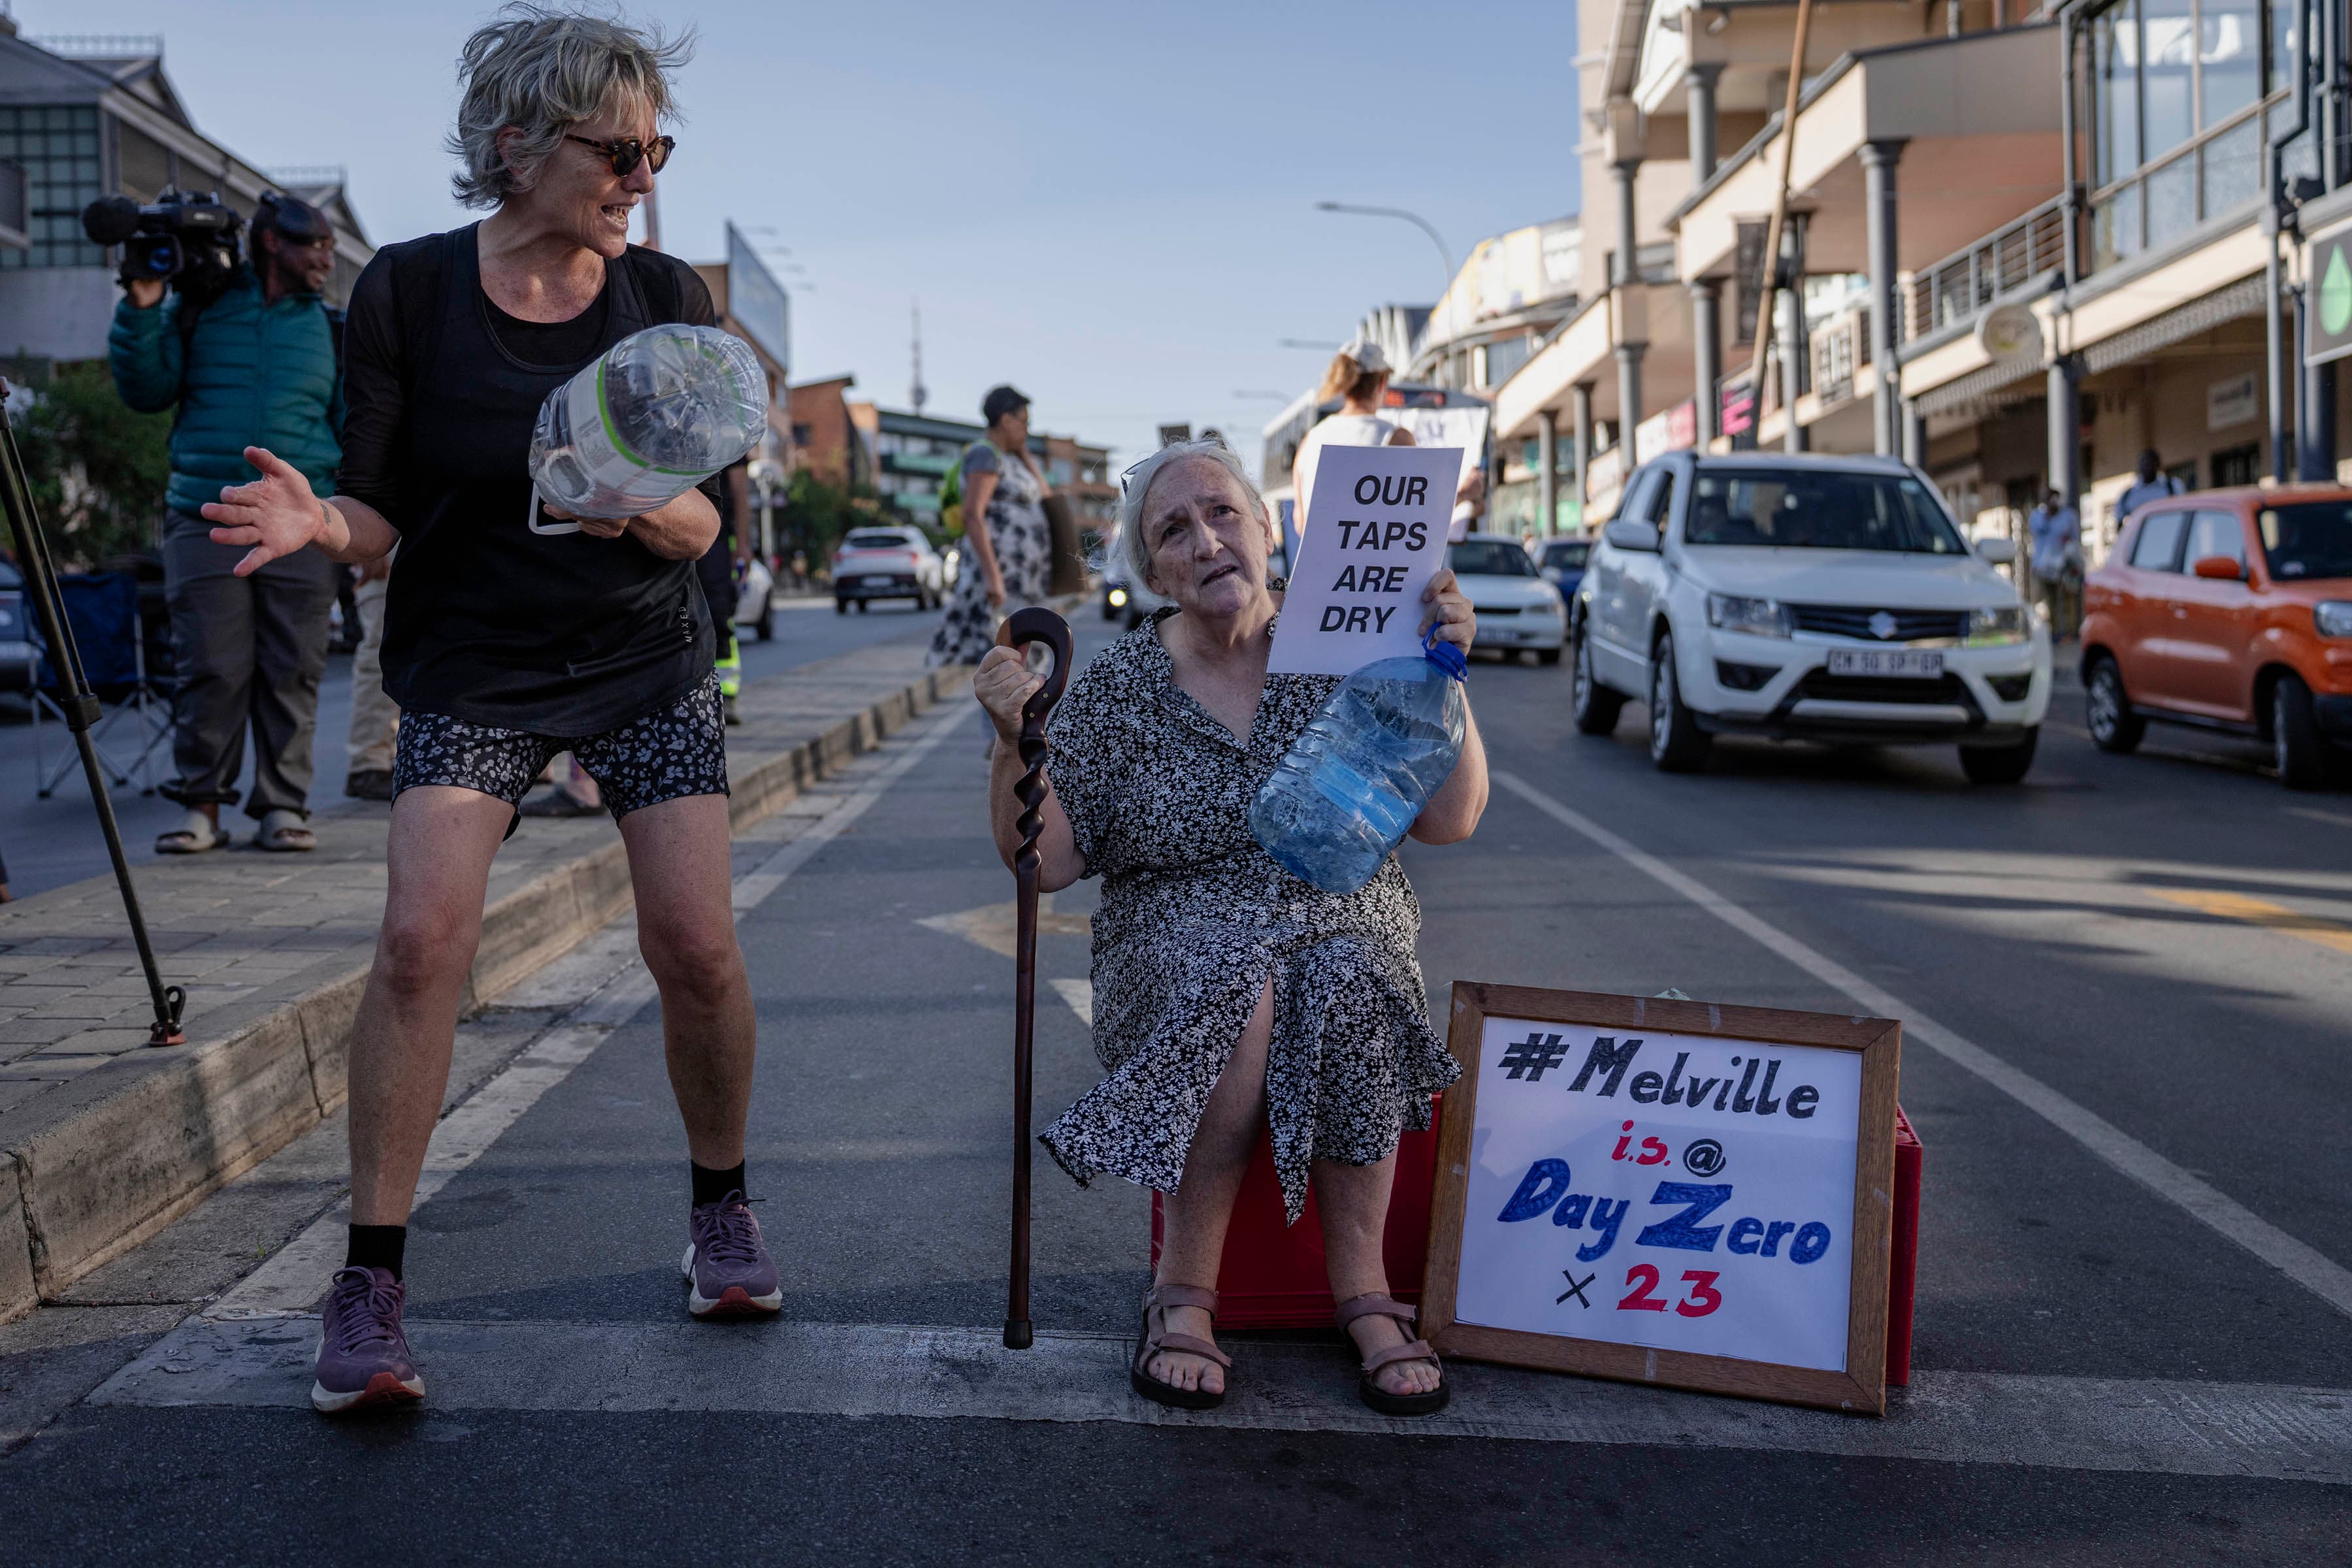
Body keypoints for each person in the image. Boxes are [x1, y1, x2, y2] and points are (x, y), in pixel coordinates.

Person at [199, 8, 777, 1415]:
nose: (642, 176)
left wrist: (632, 503)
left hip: (643, 656)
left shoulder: (667, 303)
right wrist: (321, 525)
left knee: (696, 947)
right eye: (618, 150)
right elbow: (382, 516)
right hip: (473, 662)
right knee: (418, 946)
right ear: (516, 145)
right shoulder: (406, 293)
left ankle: (721, 1208)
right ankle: (369, 1283)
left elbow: (708, 528)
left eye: (657, 150)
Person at [973, 436, 1487, 1416]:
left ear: (1265, 528)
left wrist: (1444, 669)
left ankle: (1365, 1291)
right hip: (1172, 943)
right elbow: (1048, 862)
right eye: (1174, 530)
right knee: (1239, 984)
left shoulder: (1350, 645)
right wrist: (1011, 742)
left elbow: (1450, 818)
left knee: (1349, 974)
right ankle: (1184, 1290)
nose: (1206, 541)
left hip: (1341, 920)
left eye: (1222, 514)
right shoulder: (1121, 688)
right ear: (1153, 571)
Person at [108, 190, 346, 855]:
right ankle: (201, 806)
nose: (326, 259)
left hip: (302, 522)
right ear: (273, 243)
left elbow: (351, 427)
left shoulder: (331, 329)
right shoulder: (199, 307)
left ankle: (283, 805)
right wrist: (142, 306)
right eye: (315, 245)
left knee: (294, 666)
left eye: (330, 247)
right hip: (203, 513)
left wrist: (352, 521)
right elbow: (145, 390)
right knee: (210, 665)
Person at [928, 385, 1051, 667]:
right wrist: (993, 578)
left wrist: (1024, 454)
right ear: (1006, 420)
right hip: (1000, 580)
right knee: (1004, 662)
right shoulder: (984, 455)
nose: (1028, 430)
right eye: (1025, 422)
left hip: (1022, 581)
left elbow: (1046, 497)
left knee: (1024, 659)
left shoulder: (1011, 459)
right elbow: (973, 514)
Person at [1290, 338, 1411, 531]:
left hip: (1320, 551)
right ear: (1382, 383)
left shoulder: (1310, 440)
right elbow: (1413, 516)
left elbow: (1300, 523)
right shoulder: (1396, 438)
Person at [343, 550, 398, 799]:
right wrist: (370, 549)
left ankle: (391, 754)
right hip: (389, 543)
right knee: (381, 651)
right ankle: (368, 763)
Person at [2026, 487, 2082, 640]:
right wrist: (2049, 515)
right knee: (2049, 601)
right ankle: (2052, 633)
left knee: (2068, 599)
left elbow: (2075, 539)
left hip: (2064, 565)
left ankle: (2070, 632)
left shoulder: (2069, 516)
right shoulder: (2037, 516)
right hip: (2043, 567)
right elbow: (2037, 531)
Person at [2113, 448, 2185, 547]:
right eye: (2143, 462)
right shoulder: (2128, 495)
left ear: (2158, 464)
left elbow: (2183, 513)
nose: (2147, 466)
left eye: (2150, 462)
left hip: (2170, 544)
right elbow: (2119, 525)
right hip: (2139, 548)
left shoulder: (2172, 487)